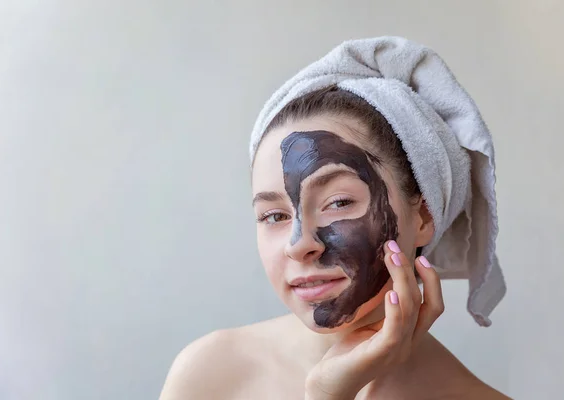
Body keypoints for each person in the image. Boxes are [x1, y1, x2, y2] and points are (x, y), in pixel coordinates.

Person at [159, 37, 509, 399]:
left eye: (339, 203)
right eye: (274, 215)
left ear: (423, 214)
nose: (299, 245)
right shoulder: (211, 371)